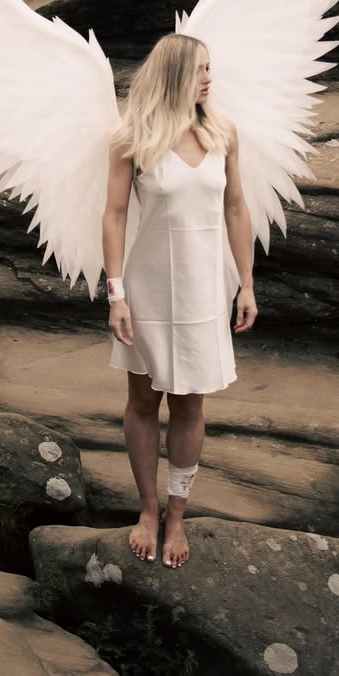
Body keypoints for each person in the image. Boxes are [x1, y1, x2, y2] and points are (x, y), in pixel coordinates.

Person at [101, 32, 257, 569]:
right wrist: (116, 294)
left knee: (191, 403)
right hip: (147, 290)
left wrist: (247, 284)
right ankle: (147, 509)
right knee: (144, 403)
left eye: (211, 68)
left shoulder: (224, 132)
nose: (210, 78)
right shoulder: (131, 137)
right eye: (200, 70)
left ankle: (177, 515)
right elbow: (115, 216)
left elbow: (237, 209)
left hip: (205, 291)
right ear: (172, 76)